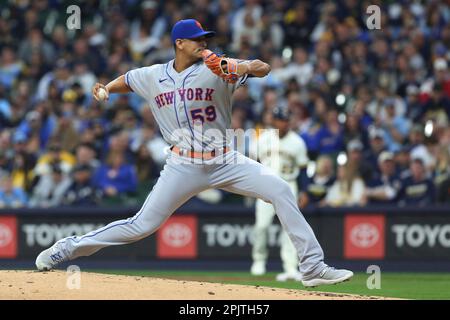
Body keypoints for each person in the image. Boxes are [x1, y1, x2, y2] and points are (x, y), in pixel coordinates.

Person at [35, 19, 353, 288]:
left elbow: (261, 68)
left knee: (281, 190)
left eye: (206, 39)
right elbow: (129, 80)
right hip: (182, 165)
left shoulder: (217, 69)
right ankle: (69, 248)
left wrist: (236, 65)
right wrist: (106, 86)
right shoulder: (154, 75)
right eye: (198, 40)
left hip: (225, 160)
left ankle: (312, 266)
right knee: (140, 227)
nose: (204, 43)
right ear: (180, 43)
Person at [250, 106, 308, 282]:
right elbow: (253, 165)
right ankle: (259, 261)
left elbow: (303, 170)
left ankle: (290, 267)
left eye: (285, 120)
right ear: (273, 121)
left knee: (289, 229)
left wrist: (304, 191)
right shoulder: (263, 139)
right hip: (266, 184)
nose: (282, 123)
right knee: (261, 226)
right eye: (279, 119)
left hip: (289, 184)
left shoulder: (297, 142)